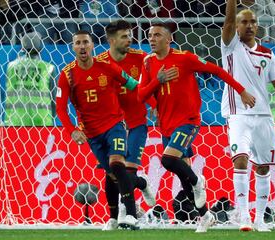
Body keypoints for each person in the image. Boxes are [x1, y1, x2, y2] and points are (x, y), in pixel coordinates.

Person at [138, 23, 256, 233]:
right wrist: (158, 82)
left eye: (157, 35)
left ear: (168, 39)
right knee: (184, 179)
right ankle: (205, 216)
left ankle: (197, 179)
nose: (152, 39)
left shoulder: (185, 58)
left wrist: (241, 91)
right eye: (149, 35)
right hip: (166, 124)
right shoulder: (147, 62)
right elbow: (141, 95)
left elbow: (217, 70)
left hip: (188, 120)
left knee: (168, 160)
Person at [221, 0, 275, 232]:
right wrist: (231, 3)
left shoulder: (268, 53)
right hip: (239, 115)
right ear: (236, 27)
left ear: (258, 26)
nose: (249, 25)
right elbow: (227, 20)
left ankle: (260, 219)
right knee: (241, 160)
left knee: (264, 167)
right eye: (243, 22)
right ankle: (244, 215)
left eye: (252, 21)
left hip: (264, 116)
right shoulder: (231, 47)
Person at [56, 30, 140, 229]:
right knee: (111, 174)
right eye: (78, 43)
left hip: (114, 125)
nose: (82, 46)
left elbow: (133, 84)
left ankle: (131, 215)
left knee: (118, 164)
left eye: (86, 42)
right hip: (92, 133)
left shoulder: (107, 66)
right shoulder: (67, 75)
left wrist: (154, 100)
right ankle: (113, 217)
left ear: (93, 45)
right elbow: (60, 108)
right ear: (73, 47)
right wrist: (72, 130)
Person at [98, 20, 156, 231]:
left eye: (129, 35)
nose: (129, 40)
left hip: (137, 122)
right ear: (111, 40)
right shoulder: (100, 63)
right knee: (112, 174)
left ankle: (125, 213)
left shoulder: (141, 58)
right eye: (124, 37)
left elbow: (149, 85)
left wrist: (155, 105)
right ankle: (141, 186)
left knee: (125, 172)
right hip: (112, 125)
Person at [5, 31, 56, 126]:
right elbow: (54, 98)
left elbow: (7, 93)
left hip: (15, 120)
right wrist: (52, 117)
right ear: (40, 46)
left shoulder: (11, 66)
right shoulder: (48, 68)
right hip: (42, 120)